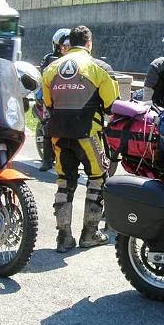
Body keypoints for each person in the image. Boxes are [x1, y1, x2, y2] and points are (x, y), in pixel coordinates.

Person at [41, 25, 119, 253]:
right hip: (88, 134)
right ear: (89, 43)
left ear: (69, 43)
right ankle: (90, 233)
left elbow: (48, 104)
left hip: (58, 134)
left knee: (64, 181)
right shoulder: (99, 67)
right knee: (97, 177)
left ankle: (63, 237)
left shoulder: (51, 68)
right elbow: (111, 105)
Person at [38, 28, 72, 171]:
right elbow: (43, 77)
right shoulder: (49, 59)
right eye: (64, 45)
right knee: (48, 125)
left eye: (69, 45)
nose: (66, 48)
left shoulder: (78, 58)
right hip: (53, 97)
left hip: (73, 97)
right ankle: (46, 160)